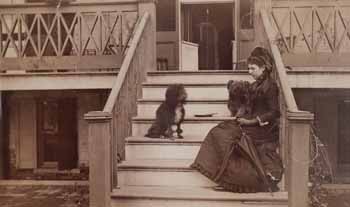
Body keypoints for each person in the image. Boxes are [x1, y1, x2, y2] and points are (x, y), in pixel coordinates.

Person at [191, 47, 283, 193]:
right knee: (218, 131)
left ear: (264, 68)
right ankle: (224, 178)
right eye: (248, 68)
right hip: (251, 124)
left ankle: (236, 181)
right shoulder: (254, 85)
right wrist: (241, 115)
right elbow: (247, 104)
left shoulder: (271, 87)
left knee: (227, 136)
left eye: (253, 68)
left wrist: (251, 122)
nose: (249, 71)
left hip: (264, 129)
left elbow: (274, 112)